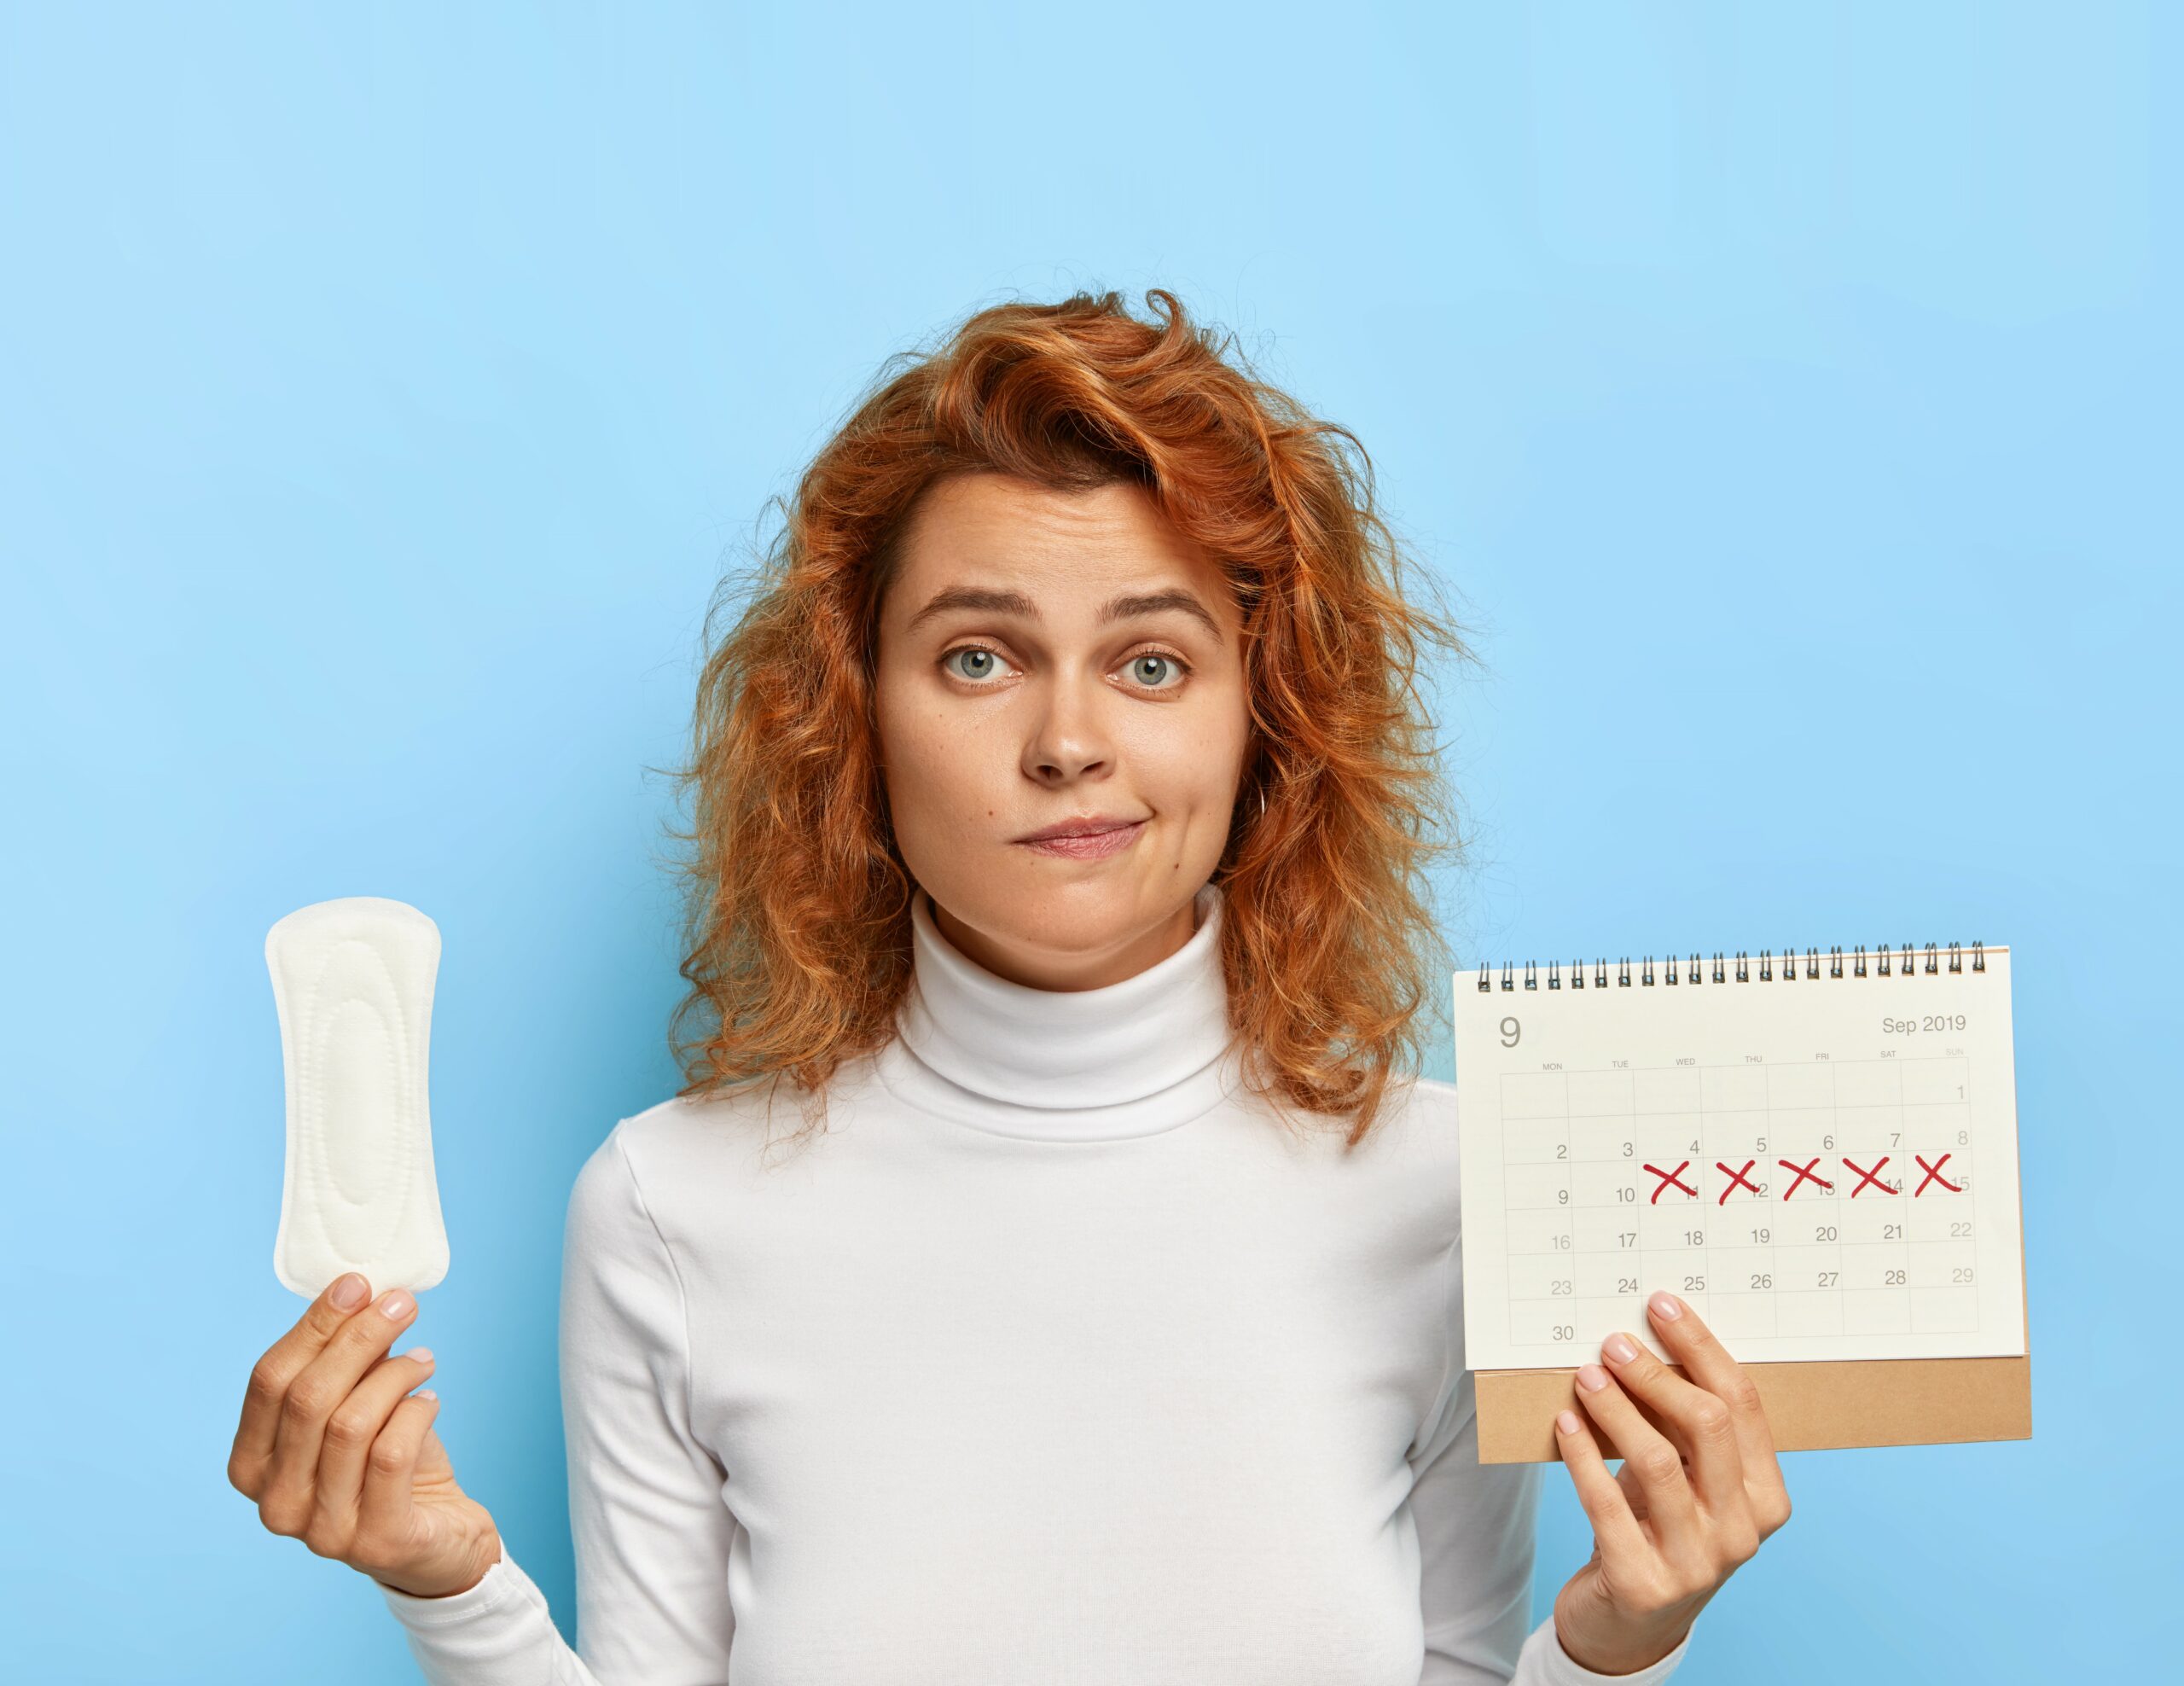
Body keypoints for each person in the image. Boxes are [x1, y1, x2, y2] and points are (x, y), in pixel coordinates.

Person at [229, 288, 1791, 1683]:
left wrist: (1613, 1651)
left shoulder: (1443, 1188)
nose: (1066, 742)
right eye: (979, 656)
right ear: (854, 719)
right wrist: (453, 1593)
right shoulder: (666, 1209)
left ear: (1269, 727)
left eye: (1154, 662)